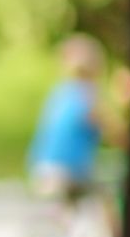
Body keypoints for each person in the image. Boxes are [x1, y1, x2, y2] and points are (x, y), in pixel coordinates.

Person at [32, 36, 108, 200]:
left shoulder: (61, 92)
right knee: (106, 192)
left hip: (44, 166)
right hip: (69, 170)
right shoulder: (88, 96)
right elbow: (109, 130)